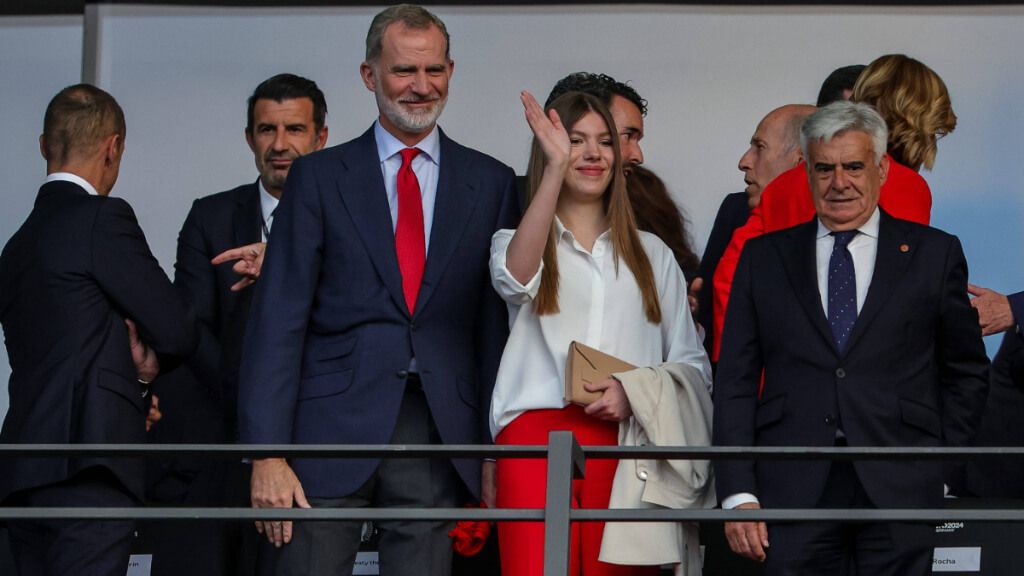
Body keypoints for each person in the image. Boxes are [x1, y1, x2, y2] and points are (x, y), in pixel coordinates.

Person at [237, 5, 518, 576]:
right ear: (369, 75)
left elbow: (496, 329)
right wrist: (266, 451)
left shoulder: (491, 181)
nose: (421, 86)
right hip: (325, 429)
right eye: (403, 71)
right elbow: (279, 317)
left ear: (451, 70)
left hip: (441, 431)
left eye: (434, 70)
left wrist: (492, 449)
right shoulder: (318, 175)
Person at [712, 101, 989, 575]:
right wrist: (739, 492)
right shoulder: (763, 259)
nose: (839, 182)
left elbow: (965, 371)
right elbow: (735, 380)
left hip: (900, 486)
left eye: (854, 166)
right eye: (824, 168)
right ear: (807, 174)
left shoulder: (934, 254)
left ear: (881, 168)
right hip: (791, 486)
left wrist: (939, 468)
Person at [490, 90, 712, 576]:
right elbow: (515, 278)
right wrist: (552, 169)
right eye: (574, 141)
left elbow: (693, 364)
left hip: (627, 439)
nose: (592, 154)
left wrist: (635, 393)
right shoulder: (516, 239)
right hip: (534, 437)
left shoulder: (653, 255)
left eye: (603, 142)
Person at [0, 84, 197, 576]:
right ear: (114, 148)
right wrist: (145, 376)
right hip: (91, 464)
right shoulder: (103, 219)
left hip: (22, 467)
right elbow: (176, 329)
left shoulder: (16, 246)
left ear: (44, 146)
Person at [145, 73, 328, 576]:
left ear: (321, 137)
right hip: (217, 438)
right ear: (250, 138)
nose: (281, 144)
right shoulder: (211, 216)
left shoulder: (343, 219)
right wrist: (252, 407)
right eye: (267, 130)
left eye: (295, 129)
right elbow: (191, 325)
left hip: (314, 435)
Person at [711, 54, 954, 361]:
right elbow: (900, 304)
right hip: (863, 389)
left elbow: (728, 279)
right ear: (919, 124)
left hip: (783, 384)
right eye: (936, 132)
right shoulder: (905, 186)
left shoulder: (784, 184)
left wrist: (746, 376)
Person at [542, 73, 701, 281]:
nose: (638, 156)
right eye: (627, 136)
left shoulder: (644, 197)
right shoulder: (510, 206)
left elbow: (680, 271)